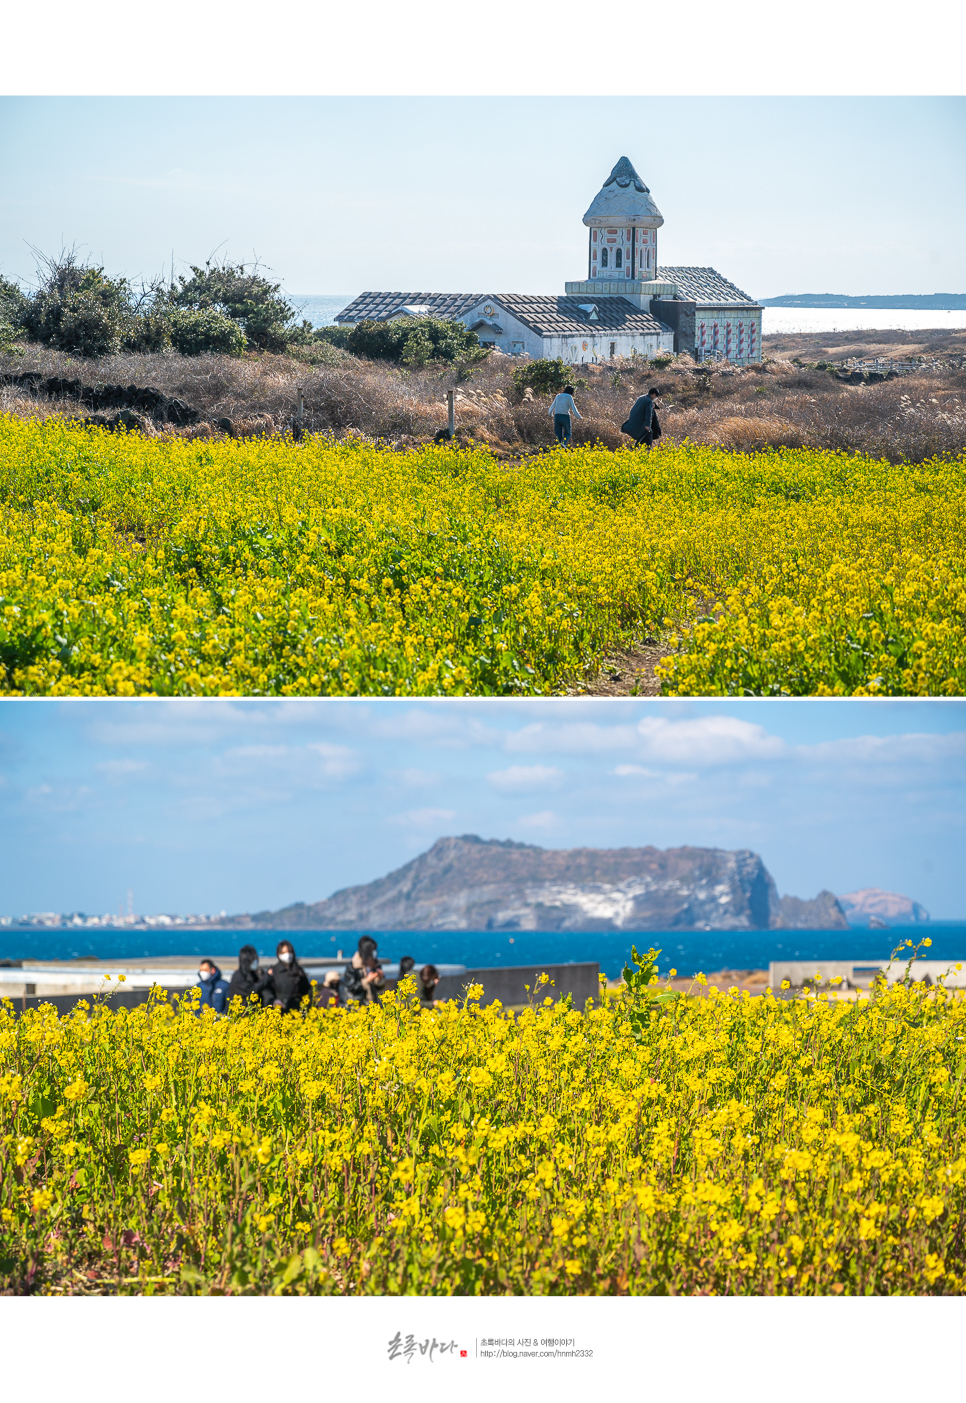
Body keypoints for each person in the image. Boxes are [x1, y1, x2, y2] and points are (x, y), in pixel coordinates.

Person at [254, 940, 312, 1013]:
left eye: (289, 952)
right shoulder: (273, 971)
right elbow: (266, 990)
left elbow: (307, 991)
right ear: (278, 954)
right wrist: (273, 1001)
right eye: (283, 953)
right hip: (278, 1009)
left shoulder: (299, 971)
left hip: (296, 1009)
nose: (287, 955)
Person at [341, 935, 386, 1005]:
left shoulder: (375, 965)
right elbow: (351, 987)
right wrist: (366, 980)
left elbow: (379, 987)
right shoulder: (352, 967)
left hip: (373, 1003)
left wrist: (379, 978)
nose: (374, 953)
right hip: (358, 1005)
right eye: (373, 950)